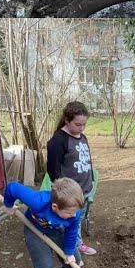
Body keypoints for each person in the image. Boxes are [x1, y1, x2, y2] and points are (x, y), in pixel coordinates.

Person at [3, 178, 86, 268]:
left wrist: (68, 252)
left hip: (56, 231)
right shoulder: (38, 201)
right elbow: (12, 188)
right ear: (55, 206)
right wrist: (8, 205)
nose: (74, 215)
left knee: (75, 259)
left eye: (75, 212)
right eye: (69, 213)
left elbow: (71, 233)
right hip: (34, 232)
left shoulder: (75, 213)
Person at [47, 102, 97, 256]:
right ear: (67, 121)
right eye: (77, 124)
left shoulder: (82, 137)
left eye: (84, 124)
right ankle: (71, 247)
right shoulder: (58, 140)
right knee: (70, 219)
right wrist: (63, 192)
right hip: (70, 193)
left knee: (78, 218)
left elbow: (87, 159)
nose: (81, 128)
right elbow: (53, 169)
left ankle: (76, 243)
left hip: (84, 188)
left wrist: (92, 178)